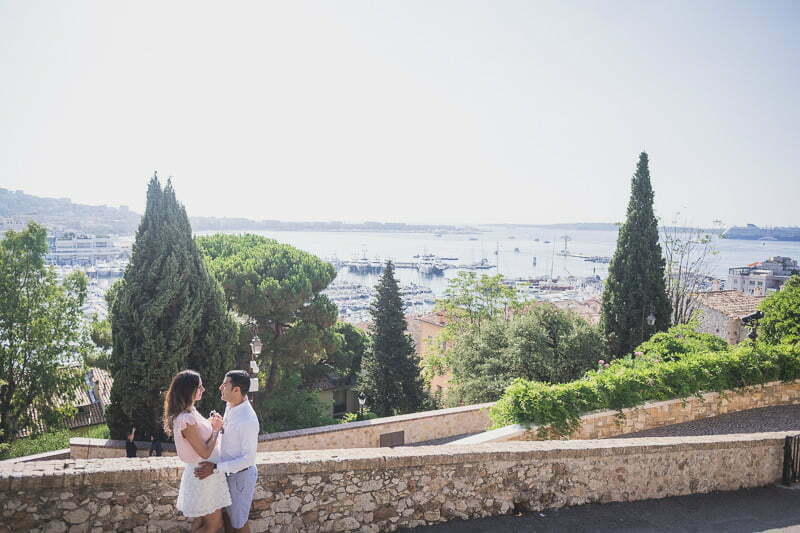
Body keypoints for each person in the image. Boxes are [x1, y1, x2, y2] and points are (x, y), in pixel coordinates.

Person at [163, 370, 232, 533]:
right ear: (189, 390)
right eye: (199, 387)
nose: (203, 389)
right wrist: (216, 429)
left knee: (202, 524)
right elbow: (205, 452)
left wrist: (210, 424)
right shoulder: (186, 419)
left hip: (206, 474)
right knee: (214, 525)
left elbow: (199, 436)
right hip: (205, 474)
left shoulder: (190, 412)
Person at [195, 370, 260, 533]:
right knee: (228, 521)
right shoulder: (230, 405)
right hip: (227, 474)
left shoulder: (249, 420)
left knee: (239, 523)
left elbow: (248, 459)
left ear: (236, 390)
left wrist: (215, 468)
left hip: (240, 478)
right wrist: (220, 425)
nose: (220, 387)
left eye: (225, 384)